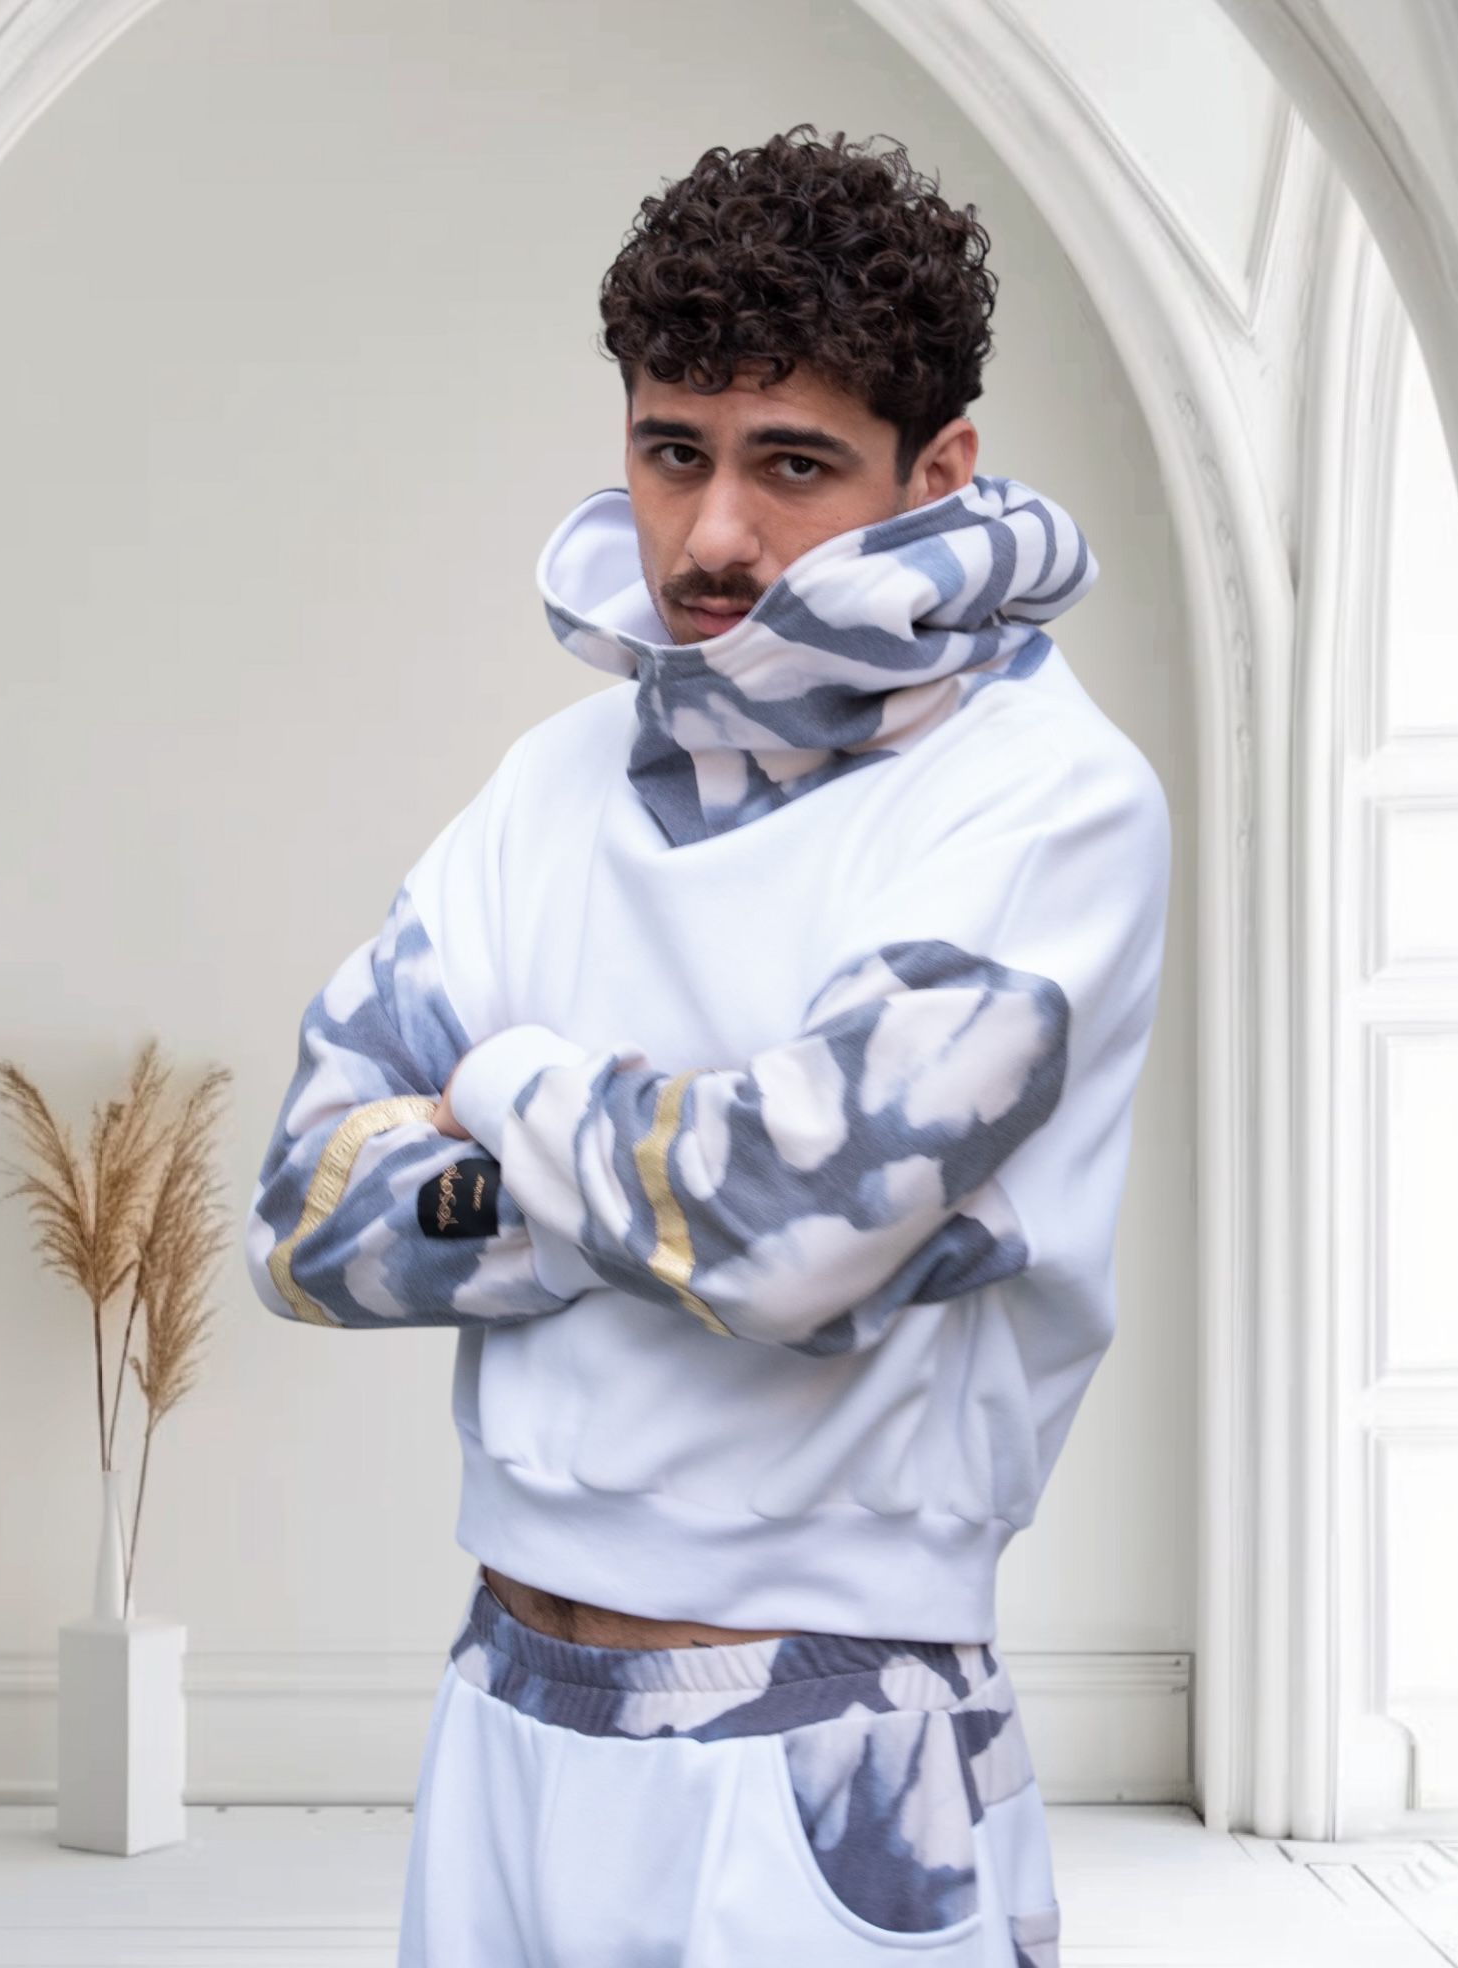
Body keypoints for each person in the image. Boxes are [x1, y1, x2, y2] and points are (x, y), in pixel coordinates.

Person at [244, 122, 1171, 1966]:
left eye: (792, 464)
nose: (715, 535)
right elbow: (301, 1214)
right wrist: (683, 1186)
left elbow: (787, 1232)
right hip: (502, 1705)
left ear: (939, 469)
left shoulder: (1048, 800)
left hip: (830, 1748)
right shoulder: (551, 783)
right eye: (673, 453)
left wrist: (497, 1085)